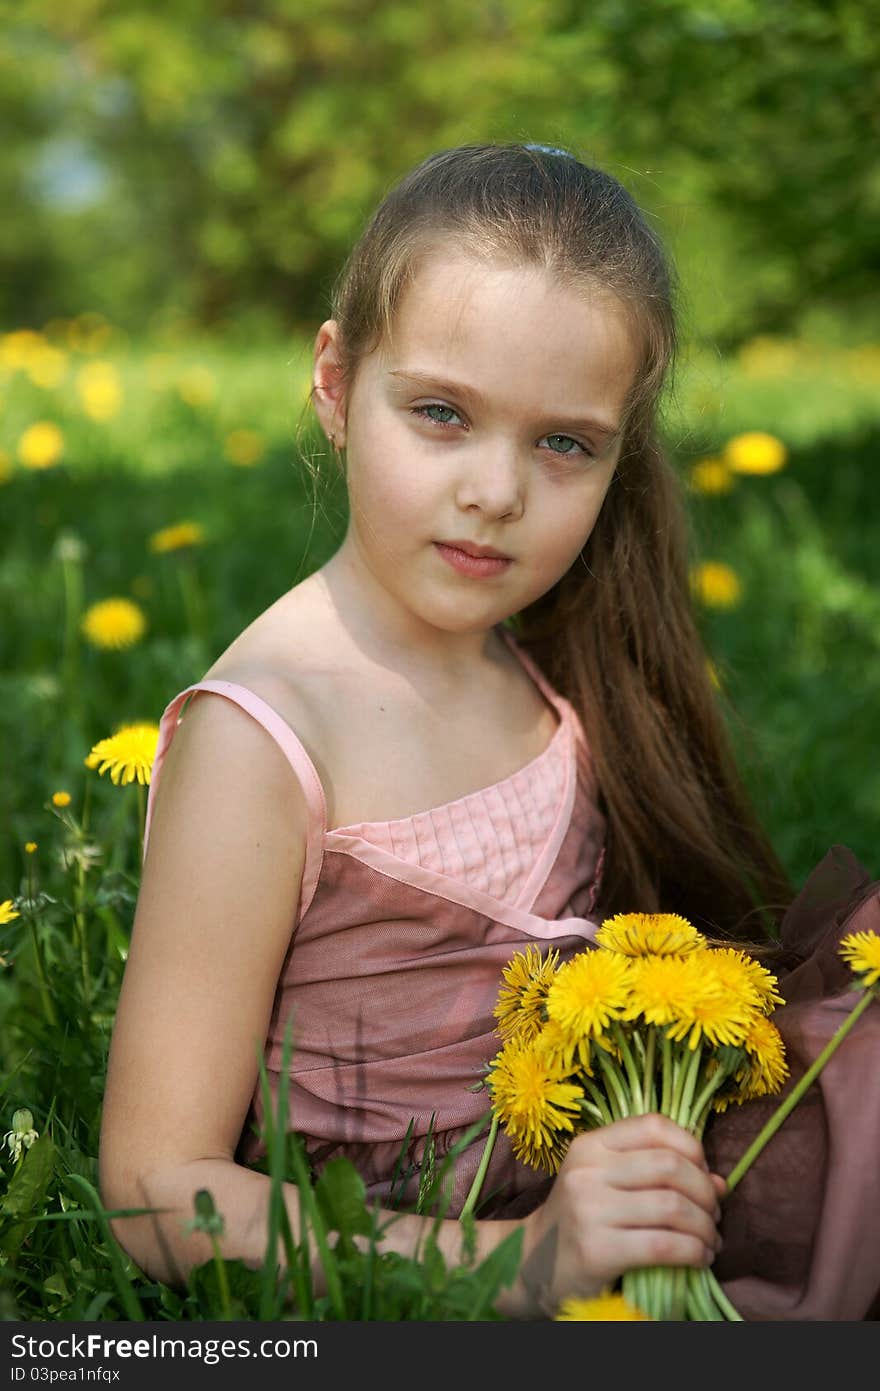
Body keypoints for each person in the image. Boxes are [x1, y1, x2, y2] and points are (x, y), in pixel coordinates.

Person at [99, 142, 879, 1321]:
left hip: (622, 1174)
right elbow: (156, 1190)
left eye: (564, 442)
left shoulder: (544, 654)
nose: (497, 490)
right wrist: (517, 1262)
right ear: (331, 379)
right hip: (456, 1251)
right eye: (441, 414)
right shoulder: (261, 739)